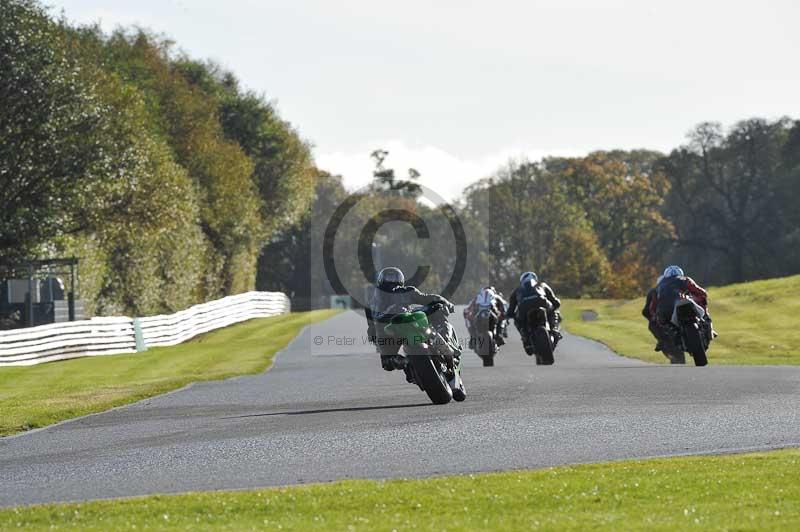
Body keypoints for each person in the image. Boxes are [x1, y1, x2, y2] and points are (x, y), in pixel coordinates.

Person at [366, 266, 459, 372]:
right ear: (400, 280)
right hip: (404, 320)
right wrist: (446, 303)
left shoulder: (371, 301)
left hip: (386, 330)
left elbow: (371, 327)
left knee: (388, 362)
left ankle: (408, 364)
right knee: (437, 312)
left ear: (381, 280)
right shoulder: (405, 290)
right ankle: (443, 344)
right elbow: (427, 298)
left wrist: (375, 339)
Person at [506, 271, 562, 352]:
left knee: (518, 321)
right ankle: (554, 329)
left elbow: (511, 309)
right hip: (542, 302)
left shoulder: (517, 290)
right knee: (554, 312)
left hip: (524, 307)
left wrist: (511, 315)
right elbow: (555, 301)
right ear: (535, 279)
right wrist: (556, 305)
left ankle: (525, 338)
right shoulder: (542, 285)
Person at [642, 276, 665, 353]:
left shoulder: (653, 291)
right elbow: (647, 310)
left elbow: (646, 310)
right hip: (661, 316)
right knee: (652, 325)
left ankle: (661, 341)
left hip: (661, 316)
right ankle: (661, 341)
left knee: (652, 325)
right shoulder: (678, 287)